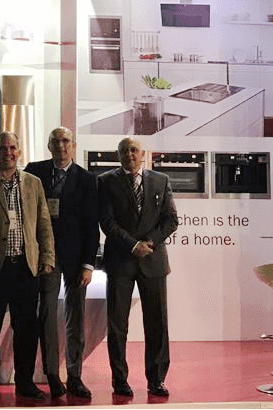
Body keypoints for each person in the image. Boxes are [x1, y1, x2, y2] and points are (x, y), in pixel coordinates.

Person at [0, 131, 55, 401]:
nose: (8, 152)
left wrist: (47, 257)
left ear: (19, 151)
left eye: (13, 148)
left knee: (26, 330)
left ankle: (25, 382)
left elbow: (44, 224)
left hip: (26, 268)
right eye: (3, 148)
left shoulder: (33, 183)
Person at [98, 137, 178, 398]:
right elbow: (107, 221)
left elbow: (171, 220)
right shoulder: (105, 181)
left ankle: (157, 379)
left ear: (143, 154)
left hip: (153, 260)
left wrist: (149, 242)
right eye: (124, 151)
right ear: (118, 155)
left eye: (134, 150)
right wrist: (133, 245)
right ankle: (119, 380)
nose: (129, 154)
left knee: (157, 323)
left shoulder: (161, 180)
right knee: (117, 325)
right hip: (120, 261)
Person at [24, 127, 99, 399]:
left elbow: (92, 225)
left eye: (66, 140)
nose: (61, 145)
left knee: (75, 316)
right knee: (46, 314)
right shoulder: (34, 172)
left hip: (76, 259)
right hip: (46, 255)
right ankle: (52, 375)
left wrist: (88, 264)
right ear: (49, 145)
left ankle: (75, 375)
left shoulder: (88, 179)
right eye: (56, 141)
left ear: (73, 145)